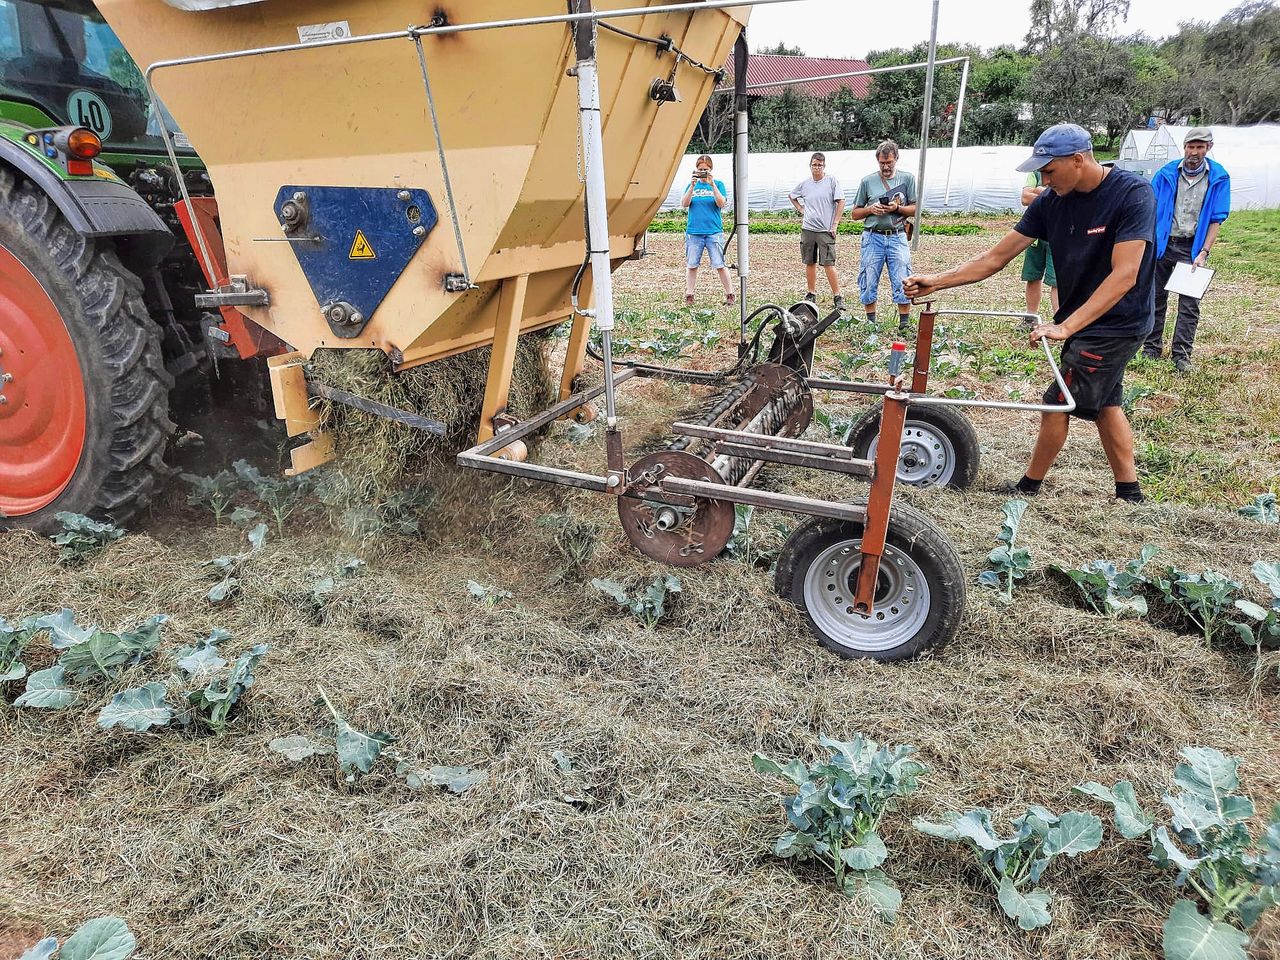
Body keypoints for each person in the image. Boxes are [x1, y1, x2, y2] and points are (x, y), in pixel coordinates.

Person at [903, 123, 1156, 504]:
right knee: (1106, 402)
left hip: (1118, 321)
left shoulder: (1132, 195)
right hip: (1083, 317)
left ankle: (1028, 487)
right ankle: (1130, 492)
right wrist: (936, 282)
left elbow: (1125, 276)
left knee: (1056, 400)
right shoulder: (1051, 202)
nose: (1044, 179)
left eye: (1049, 170)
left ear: (1077, 159)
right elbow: (995, 257)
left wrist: (1065, 326)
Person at [1144, 127, 1230, 372]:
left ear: (1208, 148)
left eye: (1200, 147)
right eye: (1191, 147)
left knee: (1189, 304)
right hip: (1163, 244)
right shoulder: (1166, 173)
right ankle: (1151, 348)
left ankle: (1181, 355)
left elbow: (1217, 217)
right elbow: (1150, 207)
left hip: (1191, 247)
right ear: (1184, 147)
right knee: (1155, 297)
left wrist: (1204, 251)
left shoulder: (1219, 177)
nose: (1194, 152)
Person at [850, 140, 917, 332]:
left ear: (896, 158)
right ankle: (871, 324)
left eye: (889, 162)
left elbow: (915, 208)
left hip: (897, 236)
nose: (886, 167)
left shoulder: (908, 179)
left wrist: (898, 208)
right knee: (869, 277)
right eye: (882, 163)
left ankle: (904, 324)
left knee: (902, 277)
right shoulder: (867, 181)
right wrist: (871, 209)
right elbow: (855, 214)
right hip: (873, 237)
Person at [788, 152, 845, 311]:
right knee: (809, 261)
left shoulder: (831, 181)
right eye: (814, 165)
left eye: (820, 165)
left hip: (825, 230)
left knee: (828, 263)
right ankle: (811, 292)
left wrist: (835, 224)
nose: (817, 167)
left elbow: (841, 201)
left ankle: (837, 295)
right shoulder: (805, 184)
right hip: (808, 228)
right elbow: (792, 196)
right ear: (810, 166)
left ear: (824, 166)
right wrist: (800, 208)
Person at [680, 154, 734, 307]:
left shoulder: (718, 184)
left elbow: (721, 203)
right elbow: (684, 203)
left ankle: (729, 293)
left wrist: (712, 185)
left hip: (713, 232)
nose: (702, 172)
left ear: (711, 170)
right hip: (694, 232)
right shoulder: (692, 186)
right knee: (692, 264)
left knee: (719, 264)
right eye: (700, 169)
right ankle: (689, 294)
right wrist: (692, 186)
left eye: (705, 169)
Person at [1021, 169, 1059, 318]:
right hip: (1035, 235)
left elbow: (1066, 198)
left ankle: (1059, 320)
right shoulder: (1035, 173)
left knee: (1057, 281)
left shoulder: (1065, 171)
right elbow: (1025, 198)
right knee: (1032, 276)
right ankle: (1031, 317)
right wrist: (1049, 194)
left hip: (1057, 235)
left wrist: (1038, 191)